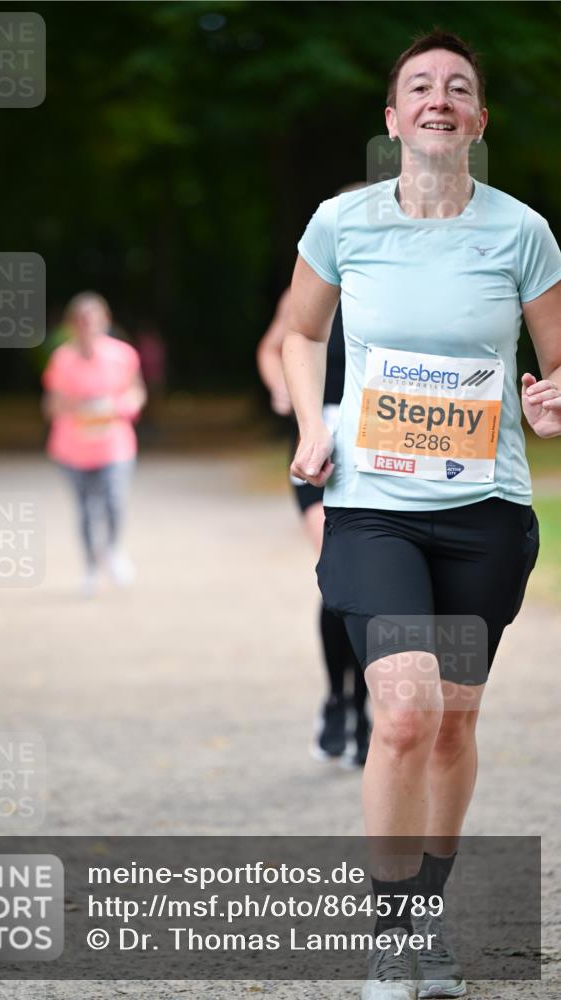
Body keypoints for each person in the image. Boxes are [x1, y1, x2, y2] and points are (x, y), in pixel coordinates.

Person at [282, 29, 561, 1000]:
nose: (438, 98)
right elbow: (294, 332)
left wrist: (549, 399)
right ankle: (391, 936)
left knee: (452, 724)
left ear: (477, 122)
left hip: (486, 512)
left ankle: (426, 914)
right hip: (372, 509)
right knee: (403, 710)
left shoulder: (522, 232)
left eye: (458, 88)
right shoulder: (342, 223)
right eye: (419, 87)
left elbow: (559, 363)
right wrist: (309, 422)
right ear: (393, 119)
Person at [257, 279, 370, 766]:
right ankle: (336, 700)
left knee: (375, 586)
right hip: (317, 447)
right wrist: (280, 387)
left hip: (378, 448)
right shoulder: (310, 287)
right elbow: (272, 347)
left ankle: (366, 709)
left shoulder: (398, 283)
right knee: (341, 574)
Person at [42, 292, 147, 596]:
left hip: (115, 444)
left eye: (93, 318)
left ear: (106, 321)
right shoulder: (61, 359)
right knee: (86, 510)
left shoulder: (123, 355)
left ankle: (113, 549)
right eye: (80, 319)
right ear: (71, 324)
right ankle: (89, 566)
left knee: (115, 500)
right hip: (73, 448)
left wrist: (121, 406)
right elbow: (51, 404)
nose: (87, 324)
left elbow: (136, 392)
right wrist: (78, 407)